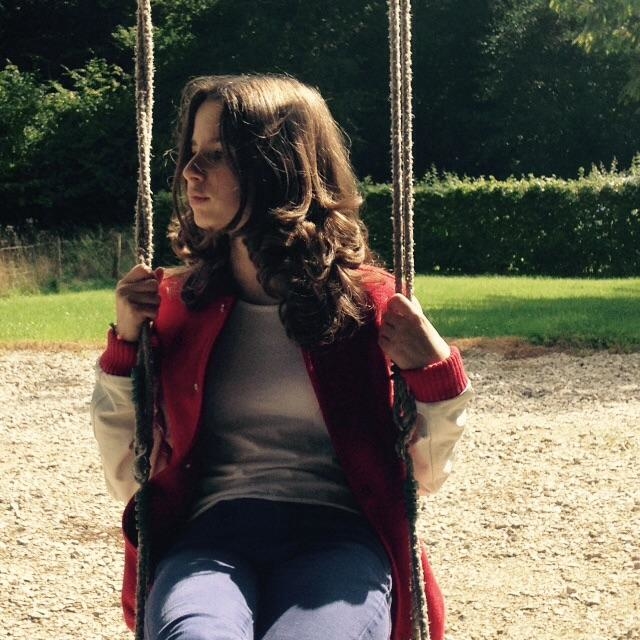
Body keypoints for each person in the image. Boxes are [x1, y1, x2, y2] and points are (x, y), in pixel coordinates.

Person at [91, 74, 472, 640]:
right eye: (192, 152)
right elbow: (129, 475)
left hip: (338, 537)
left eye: (216, 154)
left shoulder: (370, 307)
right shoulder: (173, 306)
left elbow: (425, 475)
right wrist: (125, 349)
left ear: (278, 166)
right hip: (210, 538)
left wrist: (435, 374)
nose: (190, 172)